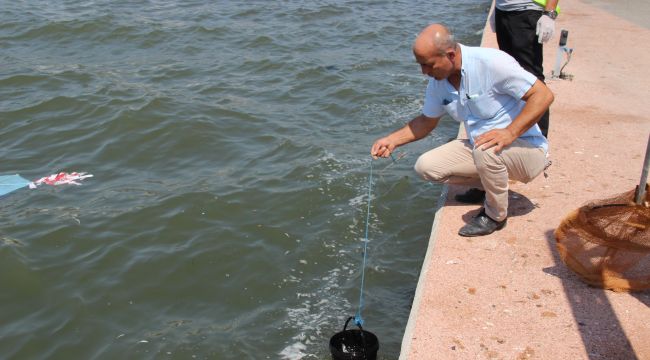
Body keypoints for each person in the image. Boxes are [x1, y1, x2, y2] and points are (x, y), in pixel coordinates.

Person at [370, 24, 553, 237]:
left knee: (485, 151)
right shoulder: (438, 82)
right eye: (420, 65)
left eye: (428, 65)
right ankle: (487, 184)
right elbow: (426, 122)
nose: (424, 72)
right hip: (483, 148)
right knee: (426, 167)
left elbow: (543, 95)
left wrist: (510, 132)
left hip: (527, 150)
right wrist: (392, 140)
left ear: (450, 55)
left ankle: (495, 215)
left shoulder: (492, 63)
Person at [455, 0, 558, 205]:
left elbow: (541, 93)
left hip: (527, 12)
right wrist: (496, 8)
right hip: (504, 12)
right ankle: (489, 173)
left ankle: (535, 147)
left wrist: (550, 13)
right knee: (508, 79)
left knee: (532, 80)